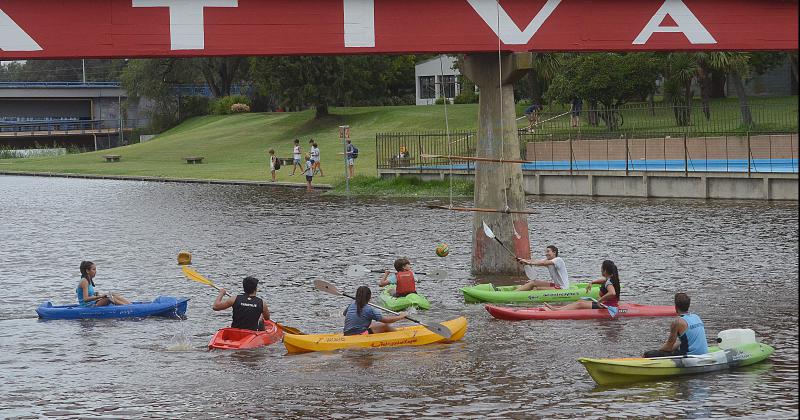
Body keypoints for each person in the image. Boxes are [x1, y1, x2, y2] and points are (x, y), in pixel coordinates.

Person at [543, 260, 620, 317]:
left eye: (602, 268)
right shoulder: (611, 278)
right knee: (581, 300)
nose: (601, 270)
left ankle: (556, 311)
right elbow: (603, 280)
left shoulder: (609, 283)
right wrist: (592, 282)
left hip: (607, 306)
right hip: (607, 304)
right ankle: (559, 309)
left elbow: (612, 293)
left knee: (580, 304)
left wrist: (599, 301)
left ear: (605, 270)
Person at [643, 293, 708, 358]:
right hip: (703, 353)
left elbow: (669, 346)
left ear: (676, 307)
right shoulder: (696, 316)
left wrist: (658, 351)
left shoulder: (677, 322)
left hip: (689, 356)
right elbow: (684, 342)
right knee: (676, 347)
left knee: (648, 354)